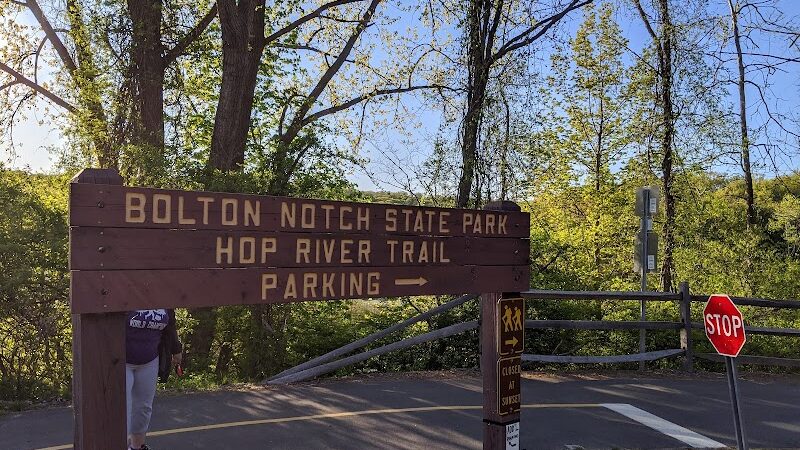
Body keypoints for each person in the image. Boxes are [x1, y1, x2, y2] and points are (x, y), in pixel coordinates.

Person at [126, 309, 182, 450]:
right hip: (121, 361)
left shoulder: (163, 293)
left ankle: (137, 447)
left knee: (143, 408)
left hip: (149, 360)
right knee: (122, 410)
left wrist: (176, 350)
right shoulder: (125, 290)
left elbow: (170, 324)